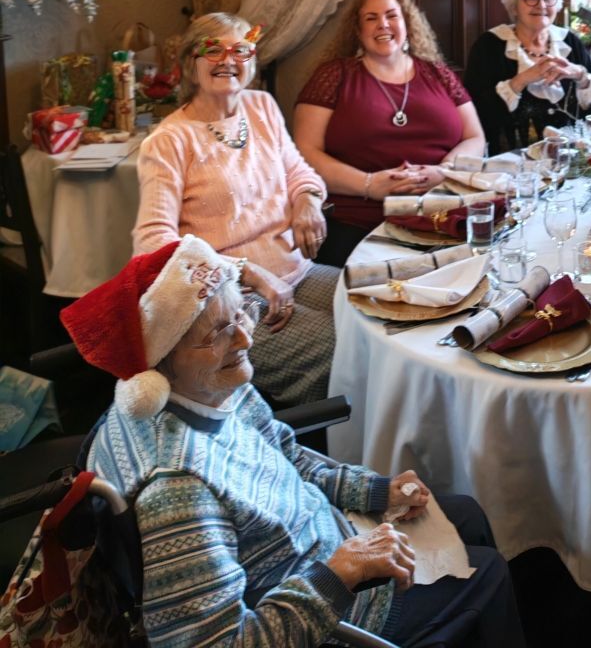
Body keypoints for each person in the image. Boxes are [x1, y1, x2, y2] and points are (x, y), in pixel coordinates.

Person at [61, 236, 525, 648]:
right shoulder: (178, 489)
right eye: (218, 333)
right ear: (160, 365)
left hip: (319, 544)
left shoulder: (214, 386)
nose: (245, 338)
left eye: (240, 313)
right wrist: (341, 573)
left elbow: (285, 455)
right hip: (322, 607)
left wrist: (371, 490)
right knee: (487, 573)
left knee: (467, 513)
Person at [133, 12, 334, 408]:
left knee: (377, 316)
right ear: (190, 64)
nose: (228, 60)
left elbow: (298, 171)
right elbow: (153, 244)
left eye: (240, 50)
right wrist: (249, 272)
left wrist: (308, 201)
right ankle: (319, 439)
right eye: (213, 51)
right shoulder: (168, 141)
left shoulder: (262, 107)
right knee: (337, 349)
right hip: (231, 298)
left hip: (298, 271)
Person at [294, 0, 487, 267]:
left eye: (391, 15)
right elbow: (305, 153)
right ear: (357, 31)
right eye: (371, 18)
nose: (383, 24)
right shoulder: (333, 76)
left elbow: (475, 137)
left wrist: (444, 172)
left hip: (442, 215)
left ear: (407, 23)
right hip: (357, 223)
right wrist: (369, 185)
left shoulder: (439, 74)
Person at [465, 0, 591, 153]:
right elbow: (475, 115)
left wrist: (580, 75)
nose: (541, 5)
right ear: (514, 5)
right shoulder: (490, 46)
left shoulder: (569, 42)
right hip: (509, 165)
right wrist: (521, 80)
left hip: (572, 161)